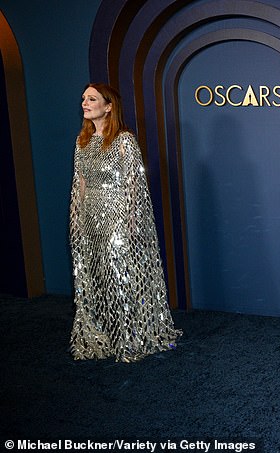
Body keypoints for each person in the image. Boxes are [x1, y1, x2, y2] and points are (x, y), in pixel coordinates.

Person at [69, 83, 181, 362]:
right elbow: (80, 184)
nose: (85, 102)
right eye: (83, 98)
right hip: (90, 215)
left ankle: (129, 337)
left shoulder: (124, 140)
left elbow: (135, 185)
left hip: (118, 214)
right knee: (95, 274)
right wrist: (77, 219)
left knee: (120, 274)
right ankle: (103, 335)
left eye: (92, 98)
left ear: (108, 106)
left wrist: (132, 221)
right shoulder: (82, 141)